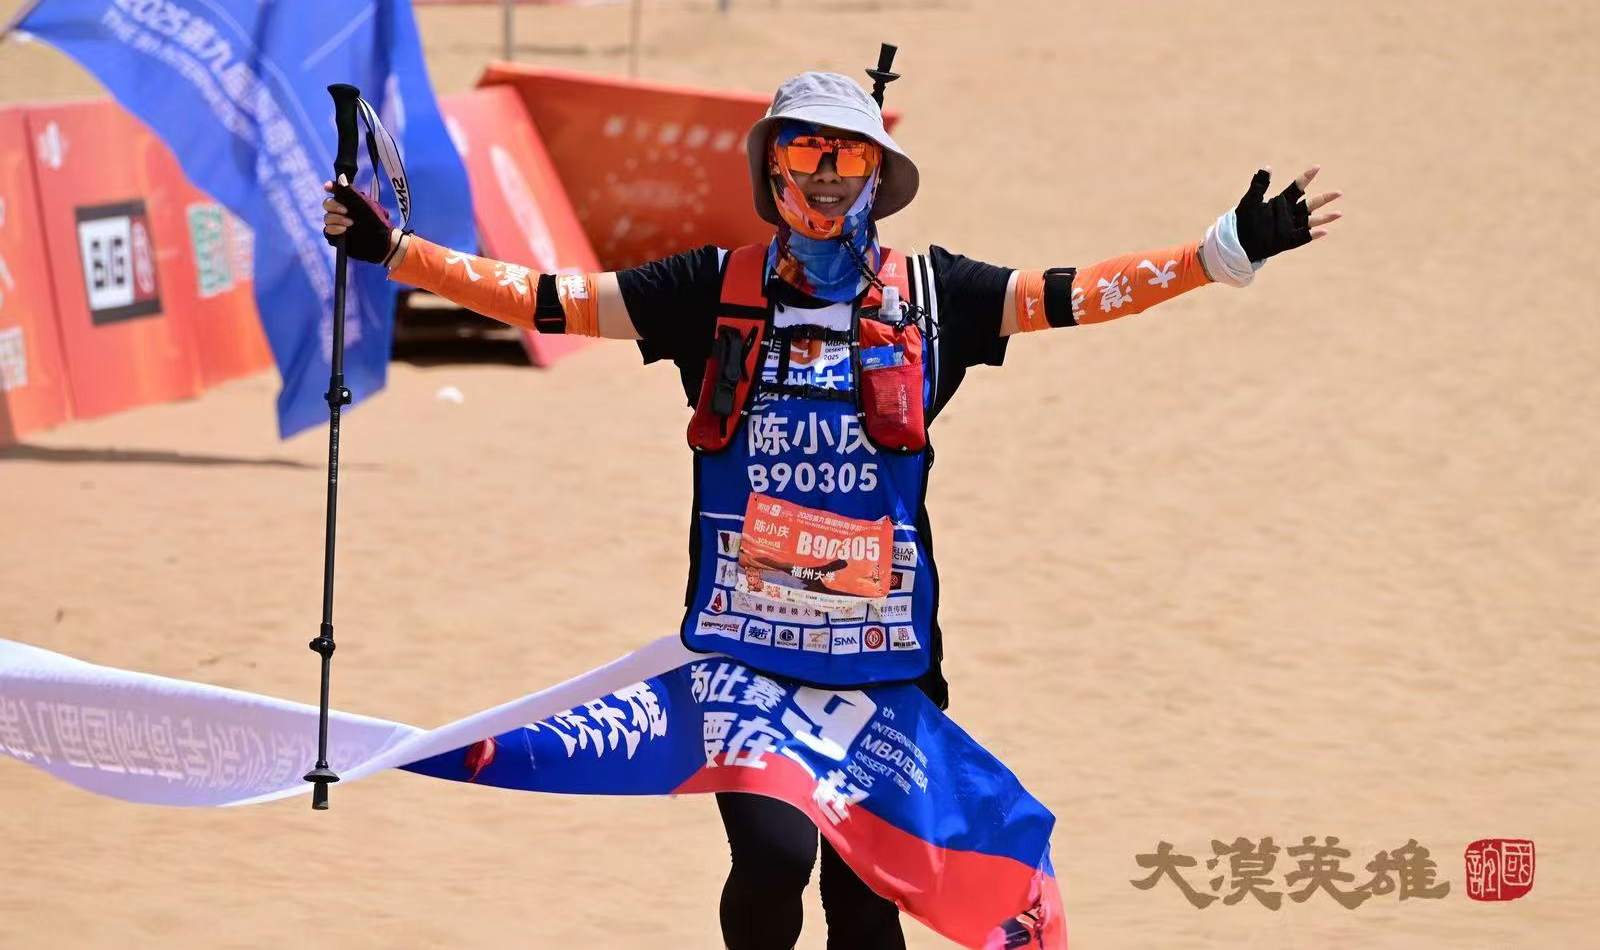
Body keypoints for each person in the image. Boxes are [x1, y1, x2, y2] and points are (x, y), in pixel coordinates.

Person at [321, 70, 1342, 948]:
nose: (822, 176)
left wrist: (1218, 253)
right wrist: (398, 252)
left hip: (882, 670)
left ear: (875, 176)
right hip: (747, 659)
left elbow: (1075, 293)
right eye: (802, 153)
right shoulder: (707, 289)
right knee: (773, 860)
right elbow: (554, 300)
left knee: (864, 900)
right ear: (770, 171)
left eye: (845, 157)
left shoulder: (936, 297)